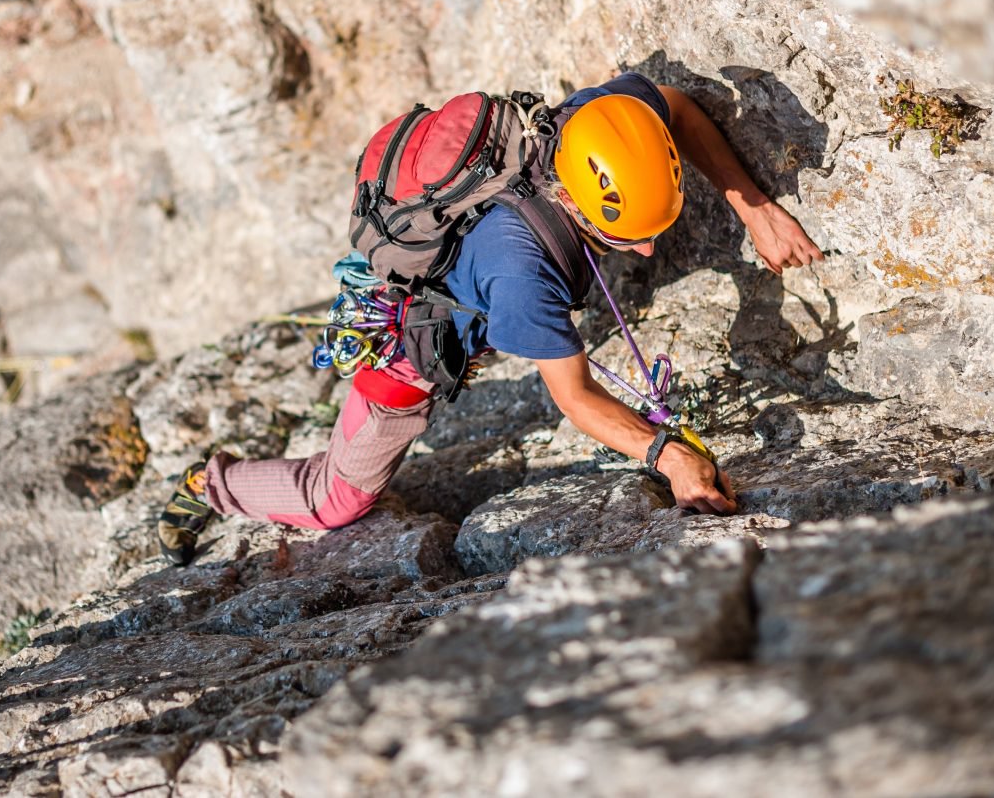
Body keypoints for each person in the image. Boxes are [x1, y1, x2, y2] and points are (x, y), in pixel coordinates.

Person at [158, 72, 824, 564]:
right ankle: (209, 486)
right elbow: (575, 397)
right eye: (630, 235)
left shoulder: (595, 128)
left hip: (475, 252)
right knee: (334, 502)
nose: (649, 250)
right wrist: (671, 458)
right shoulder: (522, 273)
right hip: (409, 332)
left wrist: (754, 208)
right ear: (571, 194)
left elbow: (670, 103)